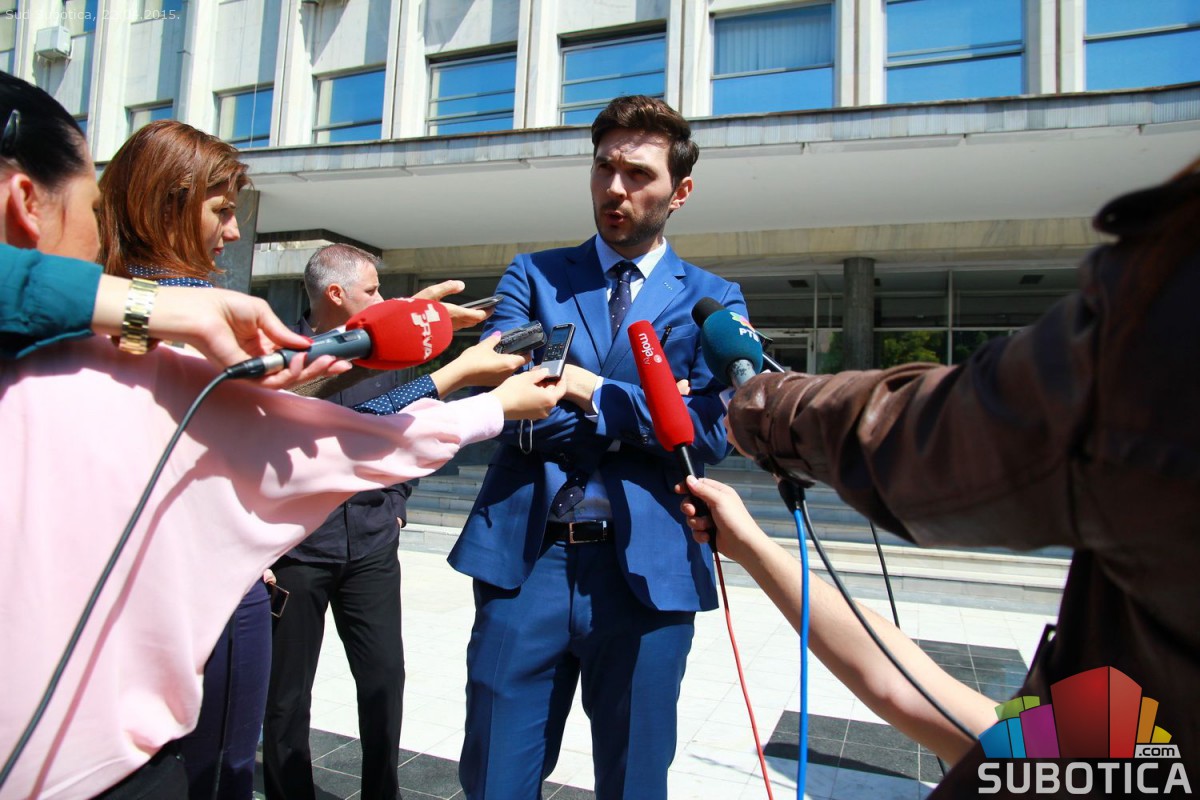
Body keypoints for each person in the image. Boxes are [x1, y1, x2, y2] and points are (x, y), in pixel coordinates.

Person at [0, 72, 567, 800]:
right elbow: (332, 437)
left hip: (295, 573)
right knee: (244, 753)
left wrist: (387, 335)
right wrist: (474, 393)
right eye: (222, 210)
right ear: (26, 204)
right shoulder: (140, 342)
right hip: (111, 746)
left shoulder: (116, 330)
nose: (235, 231)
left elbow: (288, 392)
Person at [722, 157, 1200, 794]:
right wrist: (752, 544)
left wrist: (766, 406)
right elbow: (919, 698)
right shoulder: (1118, 747)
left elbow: (953, 435)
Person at [448, 95, 748, 799]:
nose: (615, 187)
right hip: (527, 560)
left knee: (635, 780)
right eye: (604, 167)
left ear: (680, 191)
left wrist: (584, 388)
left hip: (649, 572)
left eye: (638, 173)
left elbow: (710, 434)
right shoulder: (534, 276)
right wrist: (649, 411)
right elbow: (506, 408)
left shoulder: (712, 300)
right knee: (493, 777)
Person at [263, 244, 527, 800]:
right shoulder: (283, 356)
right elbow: (319, 436)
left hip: (372, 545)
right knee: (286, 694)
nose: (382, 299)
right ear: (336, 294)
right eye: (373, 291)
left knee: (384, 678)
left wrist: (397, 503)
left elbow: (407, 430)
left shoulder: (392, 355)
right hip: (297, 552)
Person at [675, 475, 998, 763]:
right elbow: (902, 685)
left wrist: (751, 546)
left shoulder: (1025, 755)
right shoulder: (1025, 744)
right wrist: (750, 545)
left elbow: (902, 688)